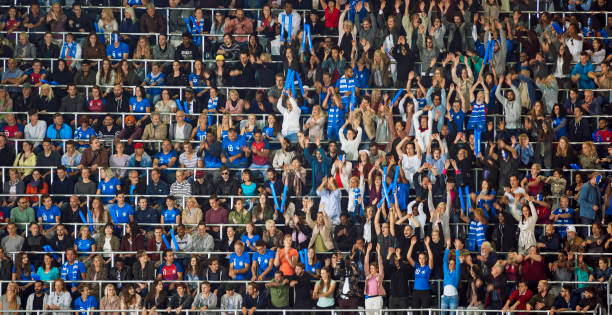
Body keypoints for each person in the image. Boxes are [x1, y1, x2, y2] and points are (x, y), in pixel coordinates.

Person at [407, 236, 434, 315]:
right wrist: (412, 245)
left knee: (425, 312)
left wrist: (427, 244)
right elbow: (408, 257)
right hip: (416, 291)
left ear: (426, 259)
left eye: (423, 258)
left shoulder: (428, 268)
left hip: (425, 291)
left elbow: (431, 257)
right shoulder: (417, 266)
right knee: (415, 312)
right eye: (420, 258)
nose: (421, 260)